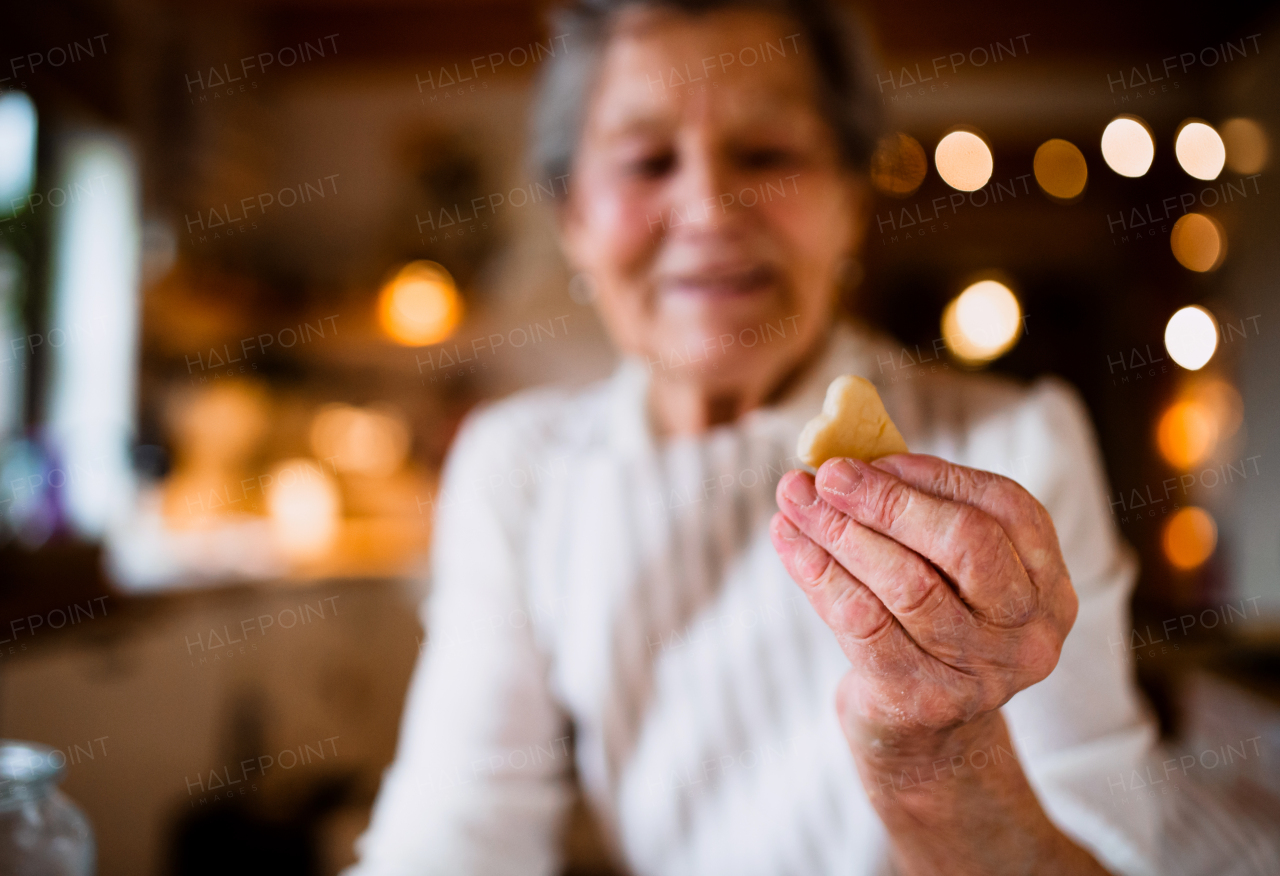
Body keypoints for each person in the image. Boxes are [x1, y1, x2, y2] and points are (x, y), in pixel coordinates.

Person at [346, 1, 1278, 873]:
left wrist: (936, 755)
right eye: (646, 162)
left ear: (850, 194)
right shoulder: (520, 468)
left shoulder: (1012, 445)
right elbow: (461, 827)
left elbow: (1102, 840)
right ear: (573, 217)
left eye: (764, 152)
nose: (709, 209)